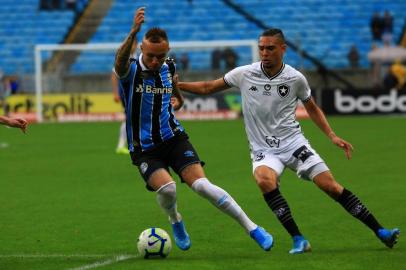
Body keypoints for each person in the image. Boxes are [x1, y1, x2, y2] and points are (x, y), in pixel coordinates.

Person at [177, 28, 400, 254]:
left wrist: (332, 135)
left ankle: (381, 231)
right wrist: (178, 85)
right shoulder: (244, 73)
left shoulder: (295, 78)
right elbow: (207, 87)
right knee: (264, 181)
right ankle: (298, 239)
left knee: (330, 187)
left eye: (270, 48)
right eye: (261, 48)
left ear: (283, 49)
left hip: (294, 144)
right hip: (264, 149)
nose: (264, 52)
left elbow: (312, 107)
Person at [113, 7, 274, 252]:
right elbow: (119, 60)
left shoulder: (168, 67)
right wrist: (134, 30)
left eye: (161, 55)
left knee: (202, 186)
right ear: (141, 50)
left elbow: (176, 94)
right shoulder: (131, 71)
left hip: (173, 138)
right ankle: (175, 219)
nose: (156, 61)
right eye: (151, 56)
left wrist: (178, 98)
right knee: (168, 189)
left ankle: (252, 228)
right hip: (144, 148)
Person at [111, 38, 138, 155]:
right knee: (129, 117)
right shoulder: (124, 57)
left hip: (136, 91)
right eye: (131, 44)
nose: (133, 46)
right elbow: (114, 75)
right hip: (126, 92)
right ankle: (121, 145)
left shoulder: (138, 56)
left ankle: (132, 143)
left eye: (135, 44)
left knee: (134, 118)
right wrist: (115, 93)